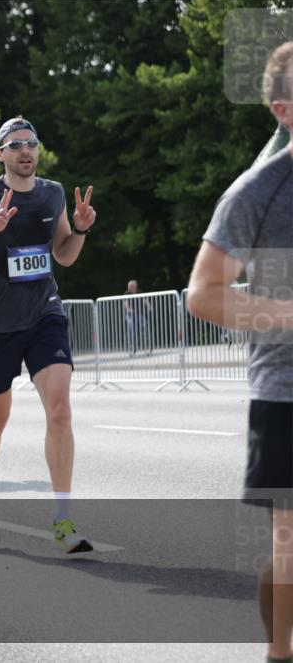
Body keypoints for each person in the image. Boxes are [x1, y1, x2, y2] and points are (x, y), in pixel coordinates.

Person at [186, 41, 293, 663]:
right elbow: (203, 294)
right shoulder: (257, 192)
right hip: (285, 392)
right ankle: (279, 652)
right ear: (284, 111)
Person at [0, 116, 97, 554]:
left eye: (31, 143)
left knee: (60, 412)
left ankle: (63, 519)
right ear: (1, 155)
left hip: (43, 318)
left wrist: (83, 227)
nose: (25, 151)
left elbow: (65, 256)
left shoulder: (53, 193)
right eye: (15, 145)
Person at [123, 279, 152, 355]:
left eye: (131, 286)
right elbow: (125, 304)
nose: (130, 288)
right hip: (129, 314)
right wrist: (129, 309)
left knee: (145, 325)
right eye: (129, 287)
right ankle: (132, 345)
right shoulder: (126, 293)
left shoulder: (139, 292)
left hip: (138, 313)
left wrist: (149, 306)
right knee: (132, 327)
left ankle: (146, 344)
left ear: (135, 286)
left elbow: (145, 300)